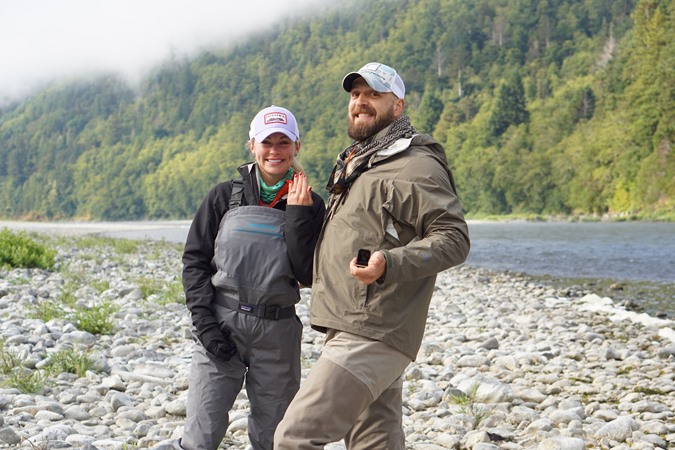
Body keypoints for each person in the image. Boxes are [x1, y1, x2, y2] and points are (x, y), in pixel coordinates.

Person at [274, 62, 470, 449]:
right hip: (356, 323)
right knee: (374, 444)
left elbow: (454, 237)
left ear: (397, 106)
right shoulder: (363, 160)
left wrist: (390, 263)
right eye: (355, 94)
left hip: (371, 328)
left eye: (373, 94)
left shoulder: (415, 163)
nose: (360, 102)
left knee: (294, 437)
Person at [172, 105, 326, 450]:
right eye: (266, 142)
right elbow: (195, 262)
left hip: (278, 330)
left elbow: (309, 273)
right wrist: (205, 324)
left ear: (296, 147)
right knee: (201, 433)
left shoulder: (312, 204)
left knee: (275, 436)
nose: (275, 151)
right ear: (252, 146)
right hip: (221, 322)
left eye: (283, 142)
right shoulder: (222, 197)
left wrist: (299, 216)